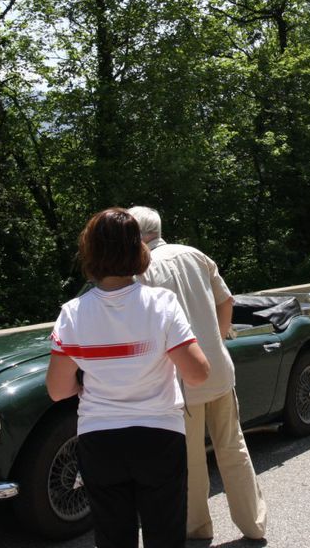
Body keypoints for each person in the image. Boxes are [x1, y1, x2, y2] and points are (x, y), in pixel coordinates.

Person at [46, 207, 211, 548]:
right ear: (139, 249)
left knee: (112, 536)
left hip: (100, 439)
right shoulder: (162, 303)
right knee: (165, 534)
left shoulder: (72, 314)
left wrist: (84, 382)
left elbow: (57, 390)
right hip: (160, 436)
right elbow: (197, 374)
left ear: (90, 252)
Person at [129, 206, 268, 542]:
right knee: (233, 449)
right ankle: (254, 524)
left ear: (137, 236)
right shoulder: (195, 254)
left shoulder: (140, 271)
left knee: (190, 460)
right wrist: (216, 340)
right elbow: (227, 300)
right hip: (219, 371)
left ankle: (198, 529)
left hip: (181, 382)